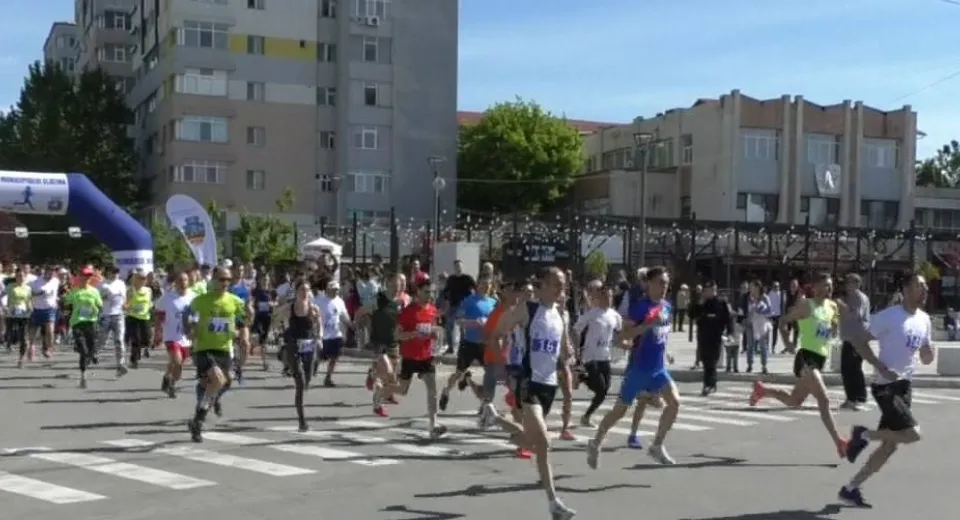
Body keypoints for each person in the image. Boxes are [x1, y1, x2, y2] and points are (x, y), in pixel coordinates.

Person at [482, 267, 577, 520]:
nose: (561, 289)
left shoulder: (561, 314)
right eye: (556, 284)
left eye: (563, 285)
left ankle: (496, 419)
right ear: (542, 285)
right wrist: (502, 367)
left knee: (534, 444)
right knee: (543, 442)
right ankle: (554, 502)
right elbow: (495, 334)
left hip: (549, 385)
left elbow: (563, 349)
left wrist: (569, 357)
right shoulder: (528, 309)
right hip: (528, 382)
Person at [839, 271, 935, 508]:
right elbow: (859, 341)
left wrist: (928, 352)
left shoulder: (924, 319)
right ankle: (863, 435)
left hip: (904, 386)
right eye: (919, 286)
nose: (924, 290)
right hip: (886, 386)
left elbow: (925, 357)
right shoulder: (888, 317)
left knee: (890, 445)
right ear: (906, 290)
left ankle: (851, 488)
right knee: (913, 434)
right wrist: (880, 366)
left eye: (925, 287)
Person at [587, 266, 680, 466]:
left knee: (674, 403)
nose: (664, 287)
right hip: (638, 369)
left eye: (666, 283)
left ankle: (657, 445)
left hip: (658, 369)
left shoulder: (666, 306)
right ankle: (596, 442)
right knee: (619, 411)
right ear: (649, 284)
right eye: (660, 283)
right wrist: (646, 325)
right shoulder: (640, 307)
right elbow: (623, 335)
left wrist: (667, 352)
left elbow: (662, 335)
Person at [749, 271, 848, 459]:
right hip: (806, 357)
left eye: (831, 285)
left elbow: (833, 329)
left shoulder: (832, 306)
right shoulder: (806, 305)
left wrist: (835, 326)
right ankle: (839, 442)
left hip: (820, 359)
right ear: (815, 287)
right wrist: (787, 342)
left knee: (794, 401)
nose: (829, 288)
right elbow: (783, 321)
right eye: (825, 285)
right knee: (824, 399)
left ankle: (763, 391)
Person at [183, 267, 251, 442]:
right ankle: (200, 419)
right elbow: (187, 315)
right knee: (218, 379)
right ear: (213, 280)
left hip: (224, 349)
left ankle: (198, 418)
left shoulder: (235, 301)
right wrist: (189, 329)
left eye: (228, 280)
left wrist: (244, 337)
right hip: (204, 348)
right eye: (221, 279)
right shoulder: (200, 301)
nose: (225, 283)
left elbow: (243, 322)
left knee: (224, 382)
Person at [382, 279, 447, 438]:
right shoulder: (408, 312)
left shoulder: (432, 310)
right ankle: (381, 391)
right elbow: (397, 335)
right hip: (410, 356)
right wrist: (414, 334)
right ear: (418, 292)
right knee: (402, 390)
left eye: (431, 292)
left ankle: (433, 425)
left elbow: (433, 330)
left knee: (432, 390)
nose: (429, 295)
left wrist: (435, 335)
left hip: (426, 356)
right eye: (426, 292)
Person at [439, 277, 496, 414]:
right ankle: (446, 391)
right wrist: (474, 323)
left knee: (490, 375)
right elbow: (458, 321)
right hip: (469, 343)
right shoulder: (468, 301)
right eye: (483, 284)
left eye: (488, 285)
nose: (486, 287)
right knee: (459, 372)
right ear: (478, 285)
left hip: (485, 344)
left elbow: (497, 321)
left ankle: (484, 404)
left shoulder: (493, 302)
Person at [572, 280, 621, 427]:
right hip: (590, 356)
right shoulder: (592, 314)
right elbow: (575, 330)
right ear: (599, 297)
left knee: (604, 390)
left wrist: (626, 344)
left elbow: (619, 335)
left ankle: (586, 416)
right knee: (599, 388)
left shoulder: (615, 315)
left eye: (610, 296)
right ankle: (582, 377)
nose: (608, 299)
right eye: (605, 296)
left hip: (605, 357)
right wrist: (577, 350)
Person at [282, 281, 322, 432]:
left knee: (307, 379)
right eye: (301, 290)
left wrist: (320, 338)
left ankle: (302, 417)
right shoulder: (290, 307)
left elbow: (319, 324)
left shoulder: (314, 308)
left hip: (309, 346)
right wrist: (283, 337)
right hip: (293, 346)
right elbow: (282, 321)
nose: (304, 292)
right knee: (300, 382)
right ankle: (302, 421)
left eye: (307, 290)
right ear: (296, 291)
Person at [155, 270, 196, 398]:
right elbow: (158, 313)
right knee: (176, 361)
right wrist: (158, 332)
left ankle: (168, 378)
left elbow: (197, 316)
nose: (183, 283)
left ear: (189, 282)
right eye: (180, 280)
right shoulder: (167, 297)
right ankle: (171, 385)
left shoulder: (194, 297)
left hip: (186, 337)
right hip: (171, 335)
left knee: (177, 366)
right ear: (176, 282)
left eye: (185, 280)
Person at [689, 280, 733, 395]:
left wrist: (730, 333)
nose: (710, 292)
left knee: (712, 361)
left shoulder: (721, 303)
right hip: (703, 336)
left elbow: (728, 319)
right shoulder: (702, 303)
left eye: (712, 290)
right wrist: (698, 304)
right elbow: (691, 314)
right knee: (705, 360)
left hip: (715, 336)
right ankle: (710, 384)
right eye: (707, 290)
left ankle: (709, 385)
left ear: (715, 290)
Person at [65, 267, 102, 388]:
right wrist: (64, 301)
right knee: (83, 350)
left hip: (91, 323)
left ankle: (91, 357)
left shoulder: (94, 291)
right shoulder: (74, 291)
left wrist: (96, 310)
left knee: (90, 350)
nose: (86, 278)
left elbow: (100, 305)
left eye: (88, 276)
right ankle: (83, 376)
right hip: (77, 323)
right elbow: (66, 303)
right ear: (79, 277)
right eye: (84, 276)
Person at [838, 273, 870, 411]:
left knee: (854, 368)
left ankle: (859, 398)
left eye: (850, 282)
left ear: (857, 284)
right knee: (846, 368)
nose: (847, 285)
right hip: (848, 338)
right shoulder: (848, 298)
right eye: (846, 282)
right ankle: (850, 398)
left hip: (857, 338)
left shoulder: (859, 298)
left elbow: (856, 315)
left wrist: (842, 306)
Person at [315, 280, 352, 387]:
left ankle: (328, 378)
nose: (335, 292)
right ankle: (313, 366)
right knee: (320, 357)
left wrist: (350, 324)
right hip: (322, 334)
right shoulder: (319, 300)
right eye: (332, 290)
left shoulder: (339, 301)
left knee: (334, 357)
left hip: (336, 334)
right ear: (327, 290)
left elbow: (344, 315)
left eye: (336, 290)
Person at [97, 266, 128, 377]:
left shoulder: (121, 283)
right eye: (113, 272)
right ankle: (93, 354)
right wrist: (103, 297)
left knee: (119, 340)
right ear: (107, 273)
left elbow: (124, 298)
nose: (115, 274)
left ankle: (120, 364)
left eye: (117, 272)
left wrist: (125, 305)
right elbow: (96, 299)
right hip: (105, 316)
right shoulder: (101, 284)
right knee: (102, 341)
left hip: (118, 315)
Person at [125, 269, 154, 369]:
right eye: (140, 278)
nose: (143, 280)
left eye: (144, 278)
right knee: (136, 339)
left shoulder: (149, 290)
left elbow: (149, 302)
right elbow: (126, 304)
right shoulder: (130, 290)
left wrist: (151, 308)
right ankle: (134, 360)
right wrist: (128, 307)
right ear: (135, 279)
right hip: (133, 317)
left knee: (147, 338)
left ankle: (143, 349)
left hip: (145, 317)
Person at [6, 269, 32, 367]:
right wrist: (4, 307)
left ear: (25, 277)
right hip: (11, 314)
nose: (20, 278)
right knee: (10, 335)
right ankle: (9, 344)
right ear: (15, 277)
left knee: (23, 337)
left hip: (23, 314)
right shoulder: (10, 286)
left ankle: (21, 358)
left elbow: (28, 301)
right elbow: (2, 295)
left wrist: (30, 310)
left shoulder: (28, 288)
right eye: (18, 276)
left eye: (22, 276)